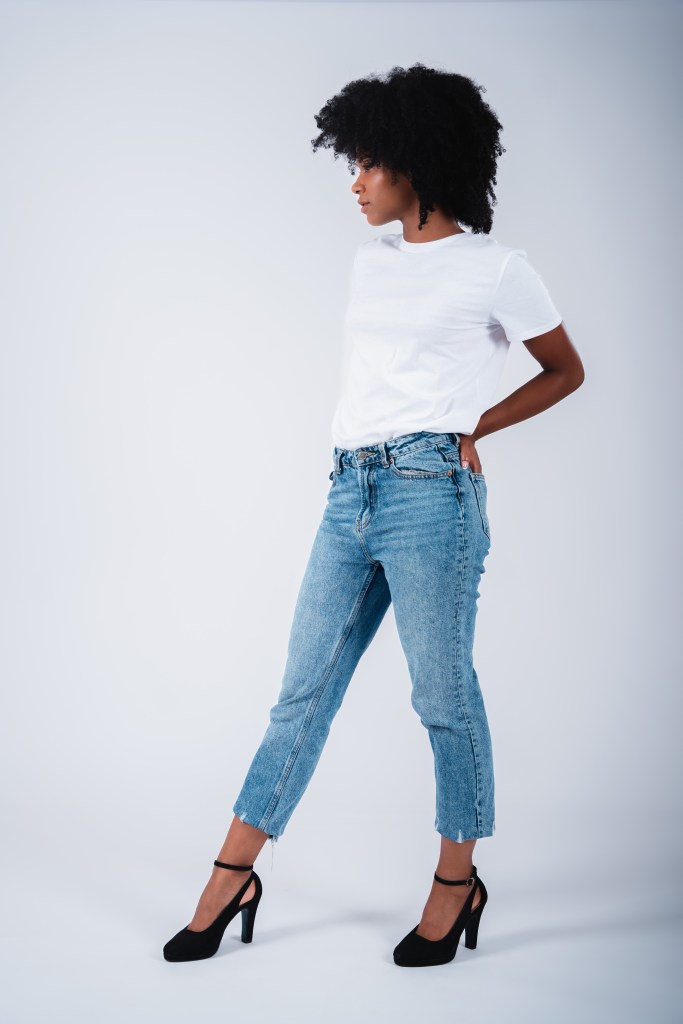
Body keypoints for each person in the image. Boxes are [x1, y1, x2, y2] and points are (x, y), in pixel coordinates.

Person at [163, 62, 585, 968]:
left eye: (365, 163)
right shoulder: (371, 262)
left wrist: (475, 426)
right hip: (346, 491)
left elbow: (564, 370)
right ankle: (232, 875)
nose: (354, 182)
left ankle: (455, 882)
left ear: (415, 160)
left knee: (440, 695)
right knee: (301, 693)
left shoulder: (496, 269)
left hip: (432, 496)